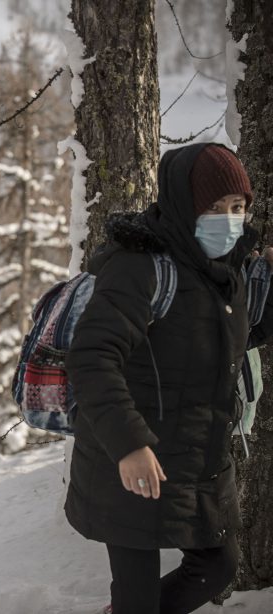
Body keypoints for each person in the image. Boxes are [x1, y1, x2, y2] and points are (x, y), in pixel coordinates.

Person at [64, 143, 273, 614]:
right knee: (137, 599)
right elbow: (93, 357)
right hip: (128, 462)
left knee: (217, 567)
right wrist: (130, 445)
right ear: (182, 204)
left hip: (194, 461)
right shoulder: (140, 266)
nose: (228, 218)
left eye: (237, 207)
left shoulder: (228, 269)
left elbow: (233, 342)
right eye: (214, 208)